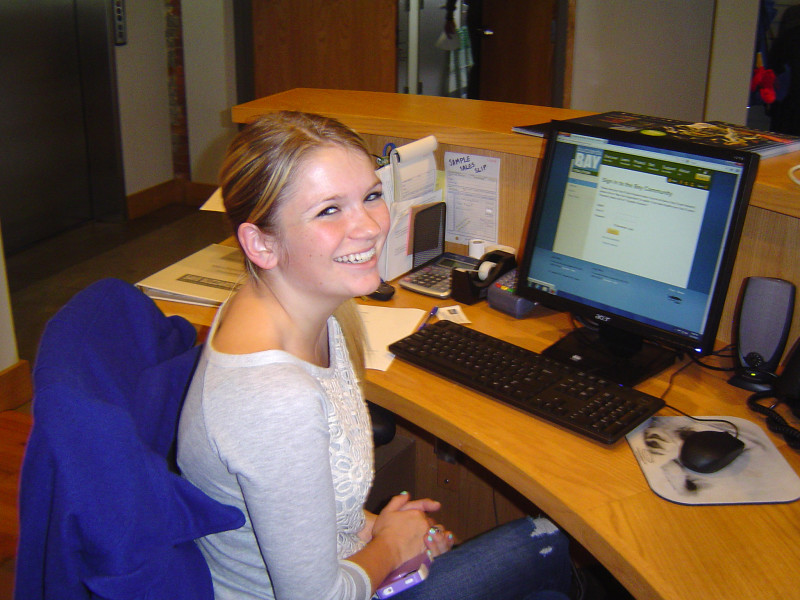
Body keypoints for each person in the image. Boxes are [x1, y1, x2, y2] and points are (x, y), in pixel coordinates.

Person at [177, 110, 573, 600]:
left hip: (347, 559)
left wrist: (373, 530)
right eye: (328, 210)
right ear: (261, 243)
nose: (368, 227)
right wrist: (389, 547)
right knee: (548, 548)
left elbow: (299, 503)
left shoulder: (303, 307)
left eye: (371, 196)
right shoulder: (275, 398)